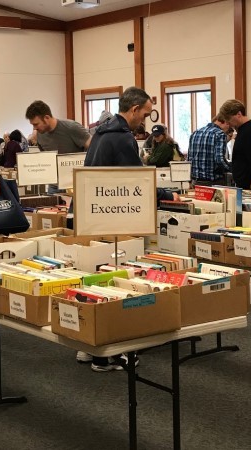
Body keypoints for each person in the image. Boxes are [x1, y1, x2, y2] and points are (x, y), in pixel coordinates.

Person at [84, 86, 178, 372]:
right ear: (134, 109)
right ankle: (110, 352)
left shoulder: (100, 134)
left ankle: (89, 346)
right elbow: (136, 180)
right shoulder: (122, 137)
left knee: (97, 275)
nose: (145, 122)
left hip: (95, 214)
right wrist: (165, 195)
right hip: (117, 215)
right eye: (145, 114)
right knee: (118, 279)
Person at [25, 100, 91, 154]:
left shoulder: (72, 127)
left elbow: (94, 148)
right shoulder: (40, 134)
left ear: (46, 118)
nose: (34, 128)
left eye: (36, 124)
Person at [188, 114, 231, 185]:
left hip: (196, 182)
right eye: (229, 125)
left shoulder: (195, 133)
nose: (228, 128)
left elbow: (189, 158)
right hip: (213, 182)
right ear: (225, 122)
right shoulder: (220, 134)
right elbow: (219, 160)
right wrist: (231, 169)